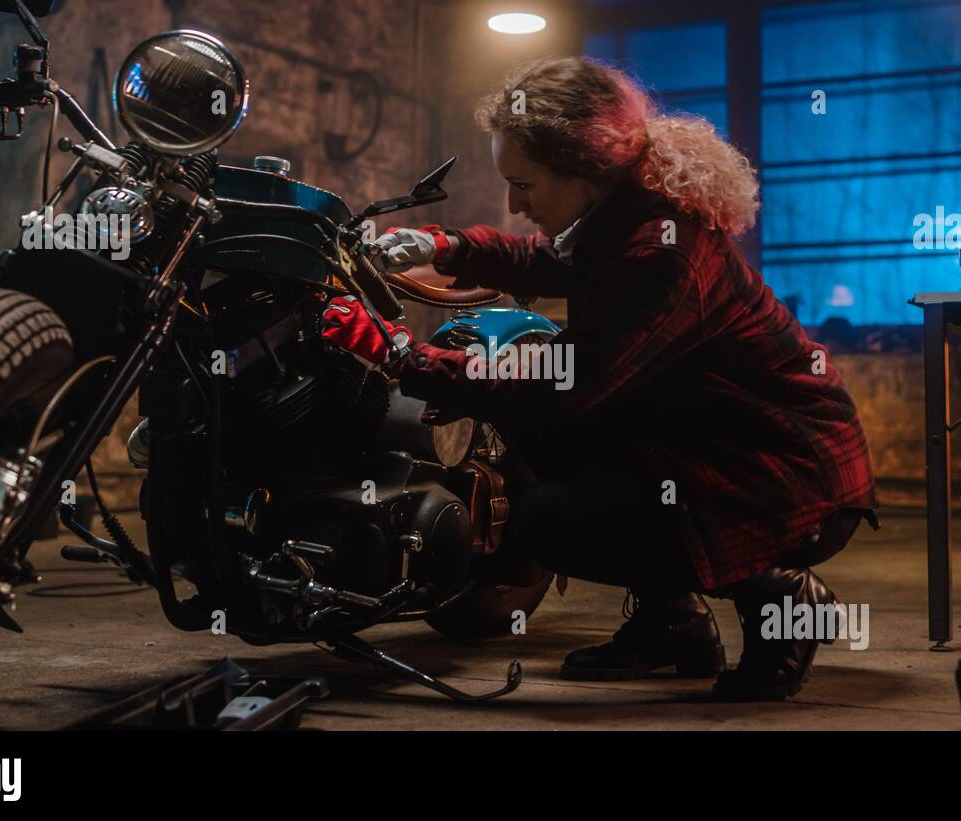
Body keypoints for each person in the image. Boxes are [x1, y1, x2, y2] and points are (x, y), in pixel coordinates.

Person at [321, 57, 877, 701]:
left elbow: (559, 389)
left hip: (785, 475)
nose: (513, 203)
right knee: (564, 445)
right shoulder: (627, 212)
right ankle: (674, 622)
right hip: (722, 446)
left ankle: (781, 598)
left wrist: (401, 355)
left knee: (549, 520)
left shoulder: (658, 251)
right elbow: (548, 261)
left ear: (583, 169)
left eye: (523, 185)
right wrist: (444, 246)